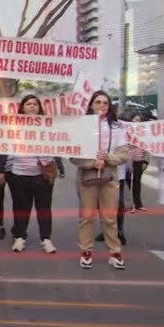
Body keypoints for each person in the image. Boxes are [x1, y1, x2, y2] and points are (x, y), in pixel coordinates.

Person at [70, 90, 130, 269]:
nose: (102, 106)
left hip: (110, 177)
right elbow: (72, 154)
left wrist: (108, 159)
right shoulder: (81, 126)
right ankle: (86, 251)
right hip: (87, 177)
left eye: (105, 102)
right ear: (91, 105)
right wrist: (90, 163)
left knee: (109, 217)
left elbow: (124, 153)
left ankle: (115, 252)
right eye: (98, 102)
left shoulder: (117, 127)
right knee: (87, 217)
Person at [0, 95, 57, 253]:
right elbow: (5, 147)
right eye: (28, 104)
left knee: (44, 209)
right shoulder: (14, 127)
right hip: (19, 174)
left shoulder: (48, 126)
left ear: (40, 108)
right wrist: (1, 169)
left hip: (42, 175)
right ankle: (19, 237)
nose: (32, 106)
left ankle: (46, 239)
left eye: (35, 104)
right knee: (20, 208)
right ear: (22, 108)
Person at [126, 112, 149, 212]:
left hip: (139, 161)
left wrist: (146, 161)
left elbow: (147, 147)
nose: (137, 122)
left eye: (139, 120)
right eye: (135, 120)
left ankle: (138, 204)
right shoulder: (127, 132)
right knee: (127, 184)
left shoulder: (144, 133)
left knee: (137, 183)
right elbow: (125, 148)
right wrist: (128, 163)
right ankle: (128, 205)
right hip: (128, 161)